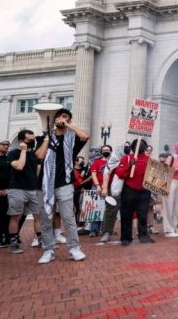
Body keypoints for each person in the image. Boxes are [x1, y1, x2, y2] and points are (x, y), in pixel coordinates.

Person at [38, 108, 89, 264]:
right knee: (46, 218)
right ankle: (48, 250)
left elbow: (85, 136)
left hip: (65, 183)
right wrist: (47, 137)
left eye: (65, 117)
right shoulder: (43, 138)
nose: (61, 118)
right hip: (46, 184)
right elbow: (40, 156)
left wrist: (68, 125)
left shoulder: (72, 139)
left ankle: (74, 248)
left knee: (68, 217)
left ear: (69, 121)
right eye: (59, 116)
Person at [114, 139, 155, 246]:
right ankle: (126, 238)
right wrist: (129, 166)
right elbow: (119, 173)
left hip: (144, 191)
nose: (139, 145)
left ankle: (144, 236)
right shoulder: (126, 158)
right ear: (133, 147)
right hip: (129, 190)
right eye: (137, 144)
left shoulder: (149, 160)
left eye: (142, 144)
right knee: (126, 215)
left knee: (142, 215)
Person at [99, 141, 130, 243]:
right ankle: (107, 232)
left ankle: (126, 235)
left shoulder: (132, 158)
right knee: (110, 211)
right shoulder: (115, 158)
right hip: (114, 189)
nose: (127, 148)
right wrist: (104, 188)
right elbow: (107, 173)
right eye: (125, 147)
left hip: (128, 189)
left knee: (127, 212)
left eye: (129, 147)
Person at [87, 145, 112, 236]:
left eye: (107, 150)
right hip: (97, 187)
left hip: (109, 188)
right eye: (104, 150)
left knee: (108, 210)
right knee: (96, 208)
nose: (106, 151)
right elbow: (93, 174)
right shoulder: (96, 162)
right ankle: (94, 230)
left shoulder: (113, 162)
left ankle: (106, 229)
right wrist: (97, 185)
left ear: (110, 151)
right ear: (101, 152)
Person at [0, 140, 12, 247]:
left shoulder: (8, 158)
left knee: (8, 215)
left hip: (7, 191)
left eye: (7, 145)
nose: (6, 146)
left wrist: (9, 189)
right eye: (3, 144)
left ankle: (8, 237)